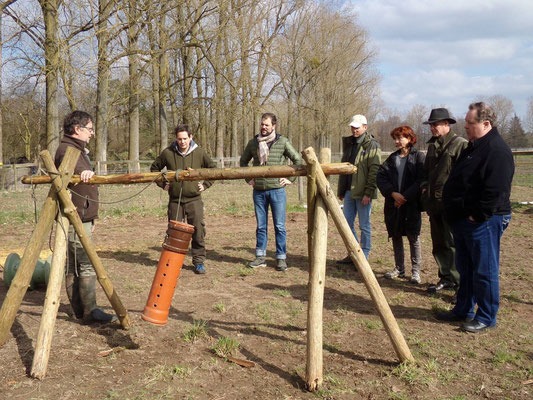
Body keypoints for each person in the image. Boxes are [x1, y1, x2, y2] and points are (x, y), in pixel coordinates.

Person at [437, 102, 514, 333]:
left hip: (484, 221)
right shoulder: (474, 147)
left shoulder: (497, 150)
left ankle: (487, 316)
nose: (466, 127)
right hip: (464, 219)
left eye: (471, 123)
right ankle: (463, 309)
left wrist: (477, 215)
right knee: (466, 267)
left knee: (484, 269)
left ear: (486, 124)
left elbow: (496, 189)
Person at [55, 110, 116, 323]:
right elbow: (65, 182)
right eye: (89, 129)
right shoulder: (67, 151)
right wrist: (82, 176)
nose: (92, 133)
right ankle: (89, 310)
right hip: (75, 218)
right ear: (77, 129)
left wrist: (92, 217)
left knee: (77, 263)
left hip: (83, 216)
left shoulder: (77, 150)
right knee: (83, 262)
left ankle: (81, 310)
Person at [239, 112, 303, 271]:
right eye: (262, 124)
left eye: (267, 125)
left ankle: (281, 258)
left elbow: (298, 160)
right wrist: (249, 179)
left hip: (277, 191)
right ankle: (260, 257)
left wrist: (290, 179)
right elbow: (243, 162)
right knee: (261, 226)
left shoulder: (283, 142)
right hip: (259, 191)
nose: (263, 127)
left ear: (274, 126)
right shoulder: (253, 143)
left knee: (279, 226)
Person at [151, 124, 216, 274]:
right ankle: (172, 262)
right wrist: (162, 184)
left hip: (194, 200)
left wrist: (205, 184)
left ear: (190, 137)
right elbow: (154, 169)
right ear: (176, 139)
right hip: (175, 200)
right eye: (180, 139)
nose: (182, 142)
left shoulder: (199, 153)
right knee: (174, 232)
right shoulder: (167, 153)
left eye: (185, 138)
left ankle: (199, 261)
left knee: (198, 230)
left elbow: (213, 169)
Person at [420, 108, 468, 294]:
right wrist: (424, 186)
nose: (432, 128)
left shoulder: (460, 145)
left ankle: (459, 284)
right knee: (439, 243)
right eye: (431, 125)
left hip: (451, 205)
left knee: (453, 244)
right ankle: (446, 277)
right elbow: (425, 173)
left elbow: (465, 176)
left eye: (436, 124)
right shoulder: (432, 146)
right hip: (434, 204)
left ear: (447, 125)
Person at [377, 126, 425, 283]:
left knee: (413, 236)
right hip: (393, 205)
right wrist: (392, 194)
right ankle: (399, 268)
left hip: (411, 205)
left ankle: (416, 271)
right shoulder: (391, 159)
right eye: (395, 139)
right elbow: (381, 177)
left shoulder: (418, 157)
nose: (397, 141)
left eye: (400, 138)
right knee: (396, 235)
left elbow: (420, 180)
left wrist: (404, 197)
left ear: (410, 138)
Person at [337, 114, 381, 262]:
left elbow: (374, 171)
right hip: (349, 191)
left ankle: (364, 255)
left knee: (364, 225)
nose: (354, 130)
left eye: (357, 127)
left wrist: (368, 192)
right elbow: (344, 167)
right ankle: (354, 253)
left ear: (365, 127)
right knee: (346, 224)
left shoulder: (372, 145)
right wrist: (342, 190)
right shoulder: (349, 143)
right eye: (352, 127)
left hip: (363, 192)